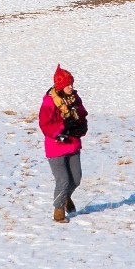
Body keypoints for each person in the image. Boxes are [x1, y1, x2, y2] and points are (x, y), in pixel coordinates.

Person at [38, 65, 88, 223]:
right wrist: (62, 128)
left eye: (72, 83)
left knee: (76, 178)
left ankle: (66, 197)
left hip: (72, 144)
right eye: (68, 84)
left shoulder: (75, 98)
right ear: (60, 86)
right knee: (63, 181)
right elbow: (45, 124)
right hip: (56, 147)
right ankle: (59, 212)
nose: (71, 87)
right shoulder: (49, 102)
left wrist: (82, 125)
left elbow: (82, 114)